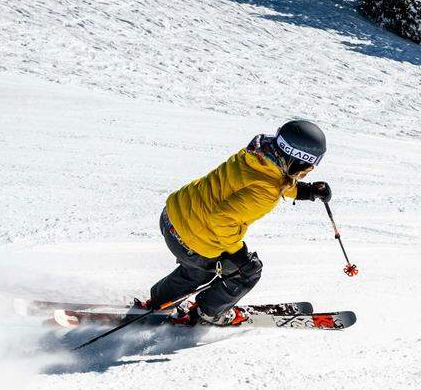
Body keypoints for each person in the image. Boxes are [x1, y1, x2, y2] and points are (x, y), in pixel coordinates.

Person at [142, 120, 332, 326]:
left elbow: (262, 181)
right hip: (193, 241)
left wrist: (306, 191)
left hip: (172, 218)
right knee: (247, 272)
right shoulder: (267, 191)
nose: (308, 171)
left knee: (197, 271)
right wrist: (240, 257)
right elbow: (223, 220)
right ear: (296, 161)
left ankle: (158, 303)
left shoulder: (256, 154)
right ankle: (209, 313)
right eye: (308, 167)